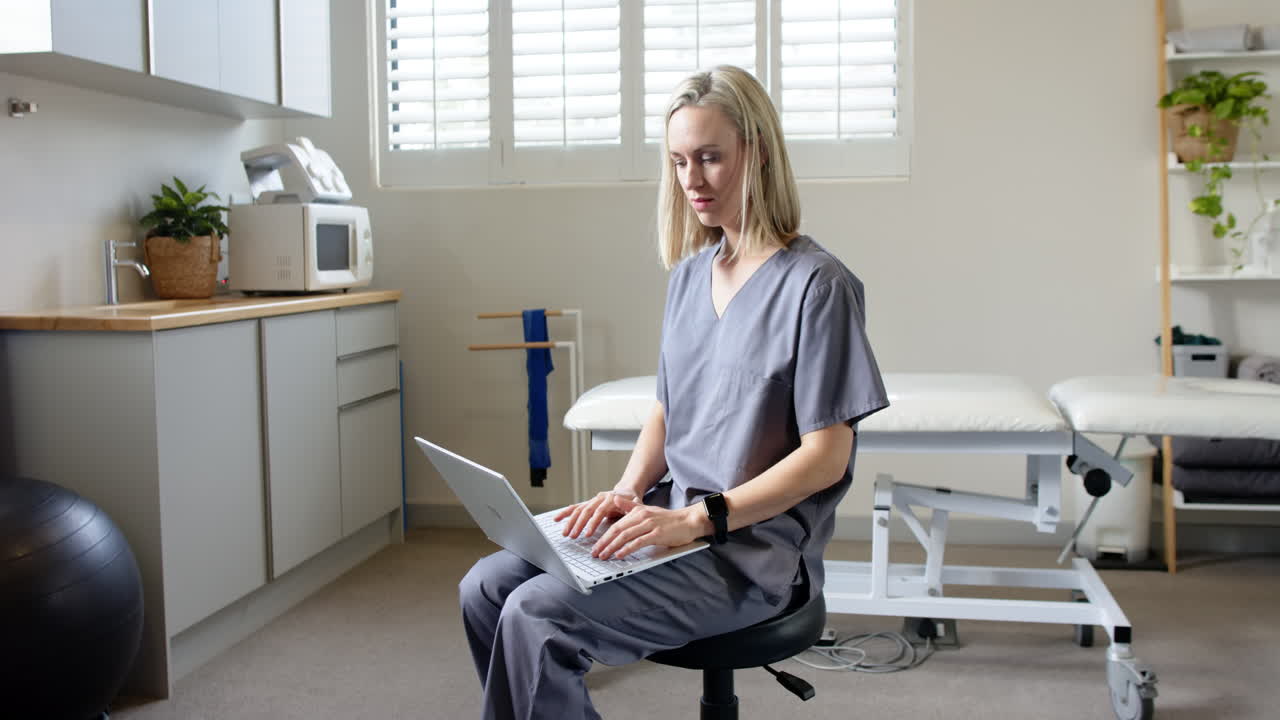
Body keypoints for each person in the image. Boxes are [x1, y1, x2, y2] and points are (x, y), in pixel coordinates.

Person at [458, 65, 888, 720]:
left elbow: (827, 457)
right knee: (485, 588)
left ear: (759, 153)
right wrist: (627, 491)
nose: (693, 179)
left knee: (538, 616)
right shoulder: (690, 278)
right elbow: (669, 407)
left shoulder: (817, 286)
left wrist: (697, 519)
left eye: (711, 158)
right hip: (667, 517)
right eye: (680, 161)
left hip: (747, 552)